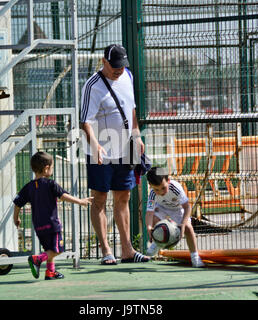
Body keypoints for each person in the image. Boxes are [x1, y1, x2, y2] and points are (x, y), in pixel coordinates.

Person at [80, 44, 150, 265]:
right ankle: (106, 251)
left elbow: (131, 110)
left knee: (124, 197)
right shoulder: (92, 86)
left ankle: (128, 250)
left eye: (121, 66)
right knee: (99, 199)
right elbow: (85, 121)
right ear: (104, 62)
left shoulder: (127, 75)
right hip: (100, 151)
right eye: (114, 67)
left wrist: (137, 136)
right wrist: (95, 145)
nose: (118, 70)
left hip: (125, 148)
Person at [13, 151, 93, 280]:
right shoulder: (50, 184)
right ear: (46, 168)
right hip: (52, 224)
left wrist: (15, 218)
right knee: (57, 250)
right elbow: (63, 196)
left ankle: (50, 272)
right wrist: (80, 201)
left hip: (38, 225)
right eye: (52, 167)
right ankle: (37, 259)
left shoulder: (28, 187)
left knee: (49, 248)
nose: (52, 170)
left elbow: (17, 203)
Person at [145, 167, 205, 268]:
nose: (161, 192)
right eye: (156, 189)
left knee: (188, 228)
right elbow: (149, 212)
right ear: (150, 186)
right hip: (162, 208)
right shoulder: (152, 194)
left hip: (177, 209)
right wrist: (149, 227)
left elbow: (187, 207)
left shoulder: (175, 188)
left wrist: (183, 224)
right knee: (154, 219)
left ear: (168, 181)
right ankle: (157, 243)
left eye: (163, 188)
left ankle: (195, 257)